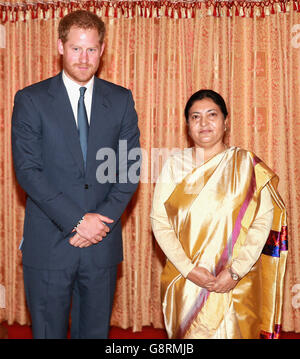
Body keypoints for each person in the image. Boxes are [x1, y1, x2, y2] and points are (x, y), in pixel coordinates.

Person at [11, 10, 140, 339]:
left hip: (102, 242)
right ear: (60, 46)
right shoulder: (30, 100)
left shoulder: (121, 100)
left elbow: (128, 169)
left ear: (102, 50)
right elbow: (28, 171)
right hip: (49, 244)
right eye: (76, 49)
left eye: (92, 49)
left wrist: (99, 221)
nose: (84, 59)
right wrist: (77, 220)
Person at [151, 89, 288, 339]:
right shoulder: (174, 165)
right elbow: (159, 221)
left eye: (211, 115)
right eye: (195, 117)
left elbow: (262, 222)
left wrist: (235, 271)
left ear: (226, 121)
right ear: (187, 125)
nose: (204, 123)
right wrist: (189, 270)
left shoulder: (247, 166)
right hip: (187, 282)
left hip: (237, 282)